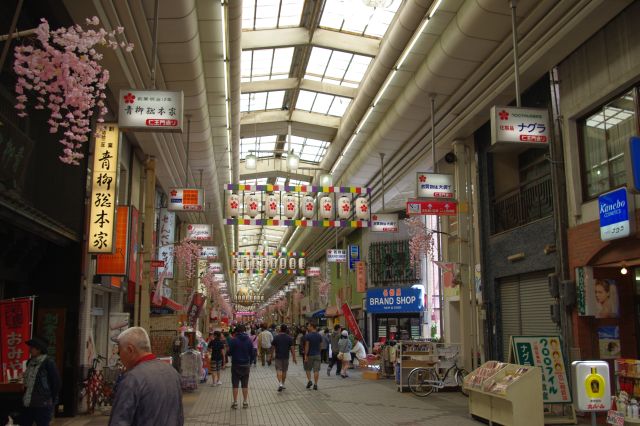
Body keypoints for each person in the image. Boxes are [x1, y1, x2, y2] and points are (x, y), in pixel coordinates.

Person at [109, 327, 183, 425]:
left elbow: (119, 421)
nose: (119, 357)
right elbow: (179, 416)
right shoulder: (172, 372)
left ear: (130, 350)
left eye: (119, 352)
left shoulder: (132, 379)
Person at [20, 337, 60, 426]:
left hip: (43, 404)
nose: (29, 350)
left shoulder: (48, 363)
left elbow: (56, 382)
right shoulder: (29, 362)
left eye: (32, 348)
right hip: (28, 402)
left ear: (39, 349)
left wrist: (50, 399)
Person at [227, 324, 254, 409]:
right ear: (244, 331)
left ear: (237, 331)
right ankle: (245, 402)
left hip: (236, 365)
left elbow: (229, 352)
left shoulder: (234, 340)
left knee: (235, 384)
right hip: (246, 364)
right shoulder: (249, 340)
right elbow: (252, 353)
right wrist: (250, 362)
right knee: (245, 384)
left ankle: (235, 403)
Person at [270, 324, 297, 392]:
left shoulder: (276, 337)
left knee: (279, 370)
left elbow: (272, 348)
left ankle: (280, 384)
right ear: (286, 330)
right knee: (284, 371)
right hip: (286, 357)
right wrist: (294, 357)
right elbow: (292, 349)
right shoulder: (289, 338)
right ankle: (283, 383)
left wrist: (271, 356)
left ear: (280, 329)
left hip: (278, 357)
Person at [303, 323, 323, 390]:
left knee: (307, 369)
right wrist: (319, 353)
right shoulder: (319, 336)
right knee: (316, 370)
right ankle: (315, 384)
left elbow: (307, 346)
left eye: (308, 326)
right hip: (317, 355)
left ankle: (309, 381)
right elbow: (320, 346)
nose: (307, 327)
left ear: (312, 327)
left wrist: (305, 355)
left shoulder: (308, 336)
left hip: (310, 355)